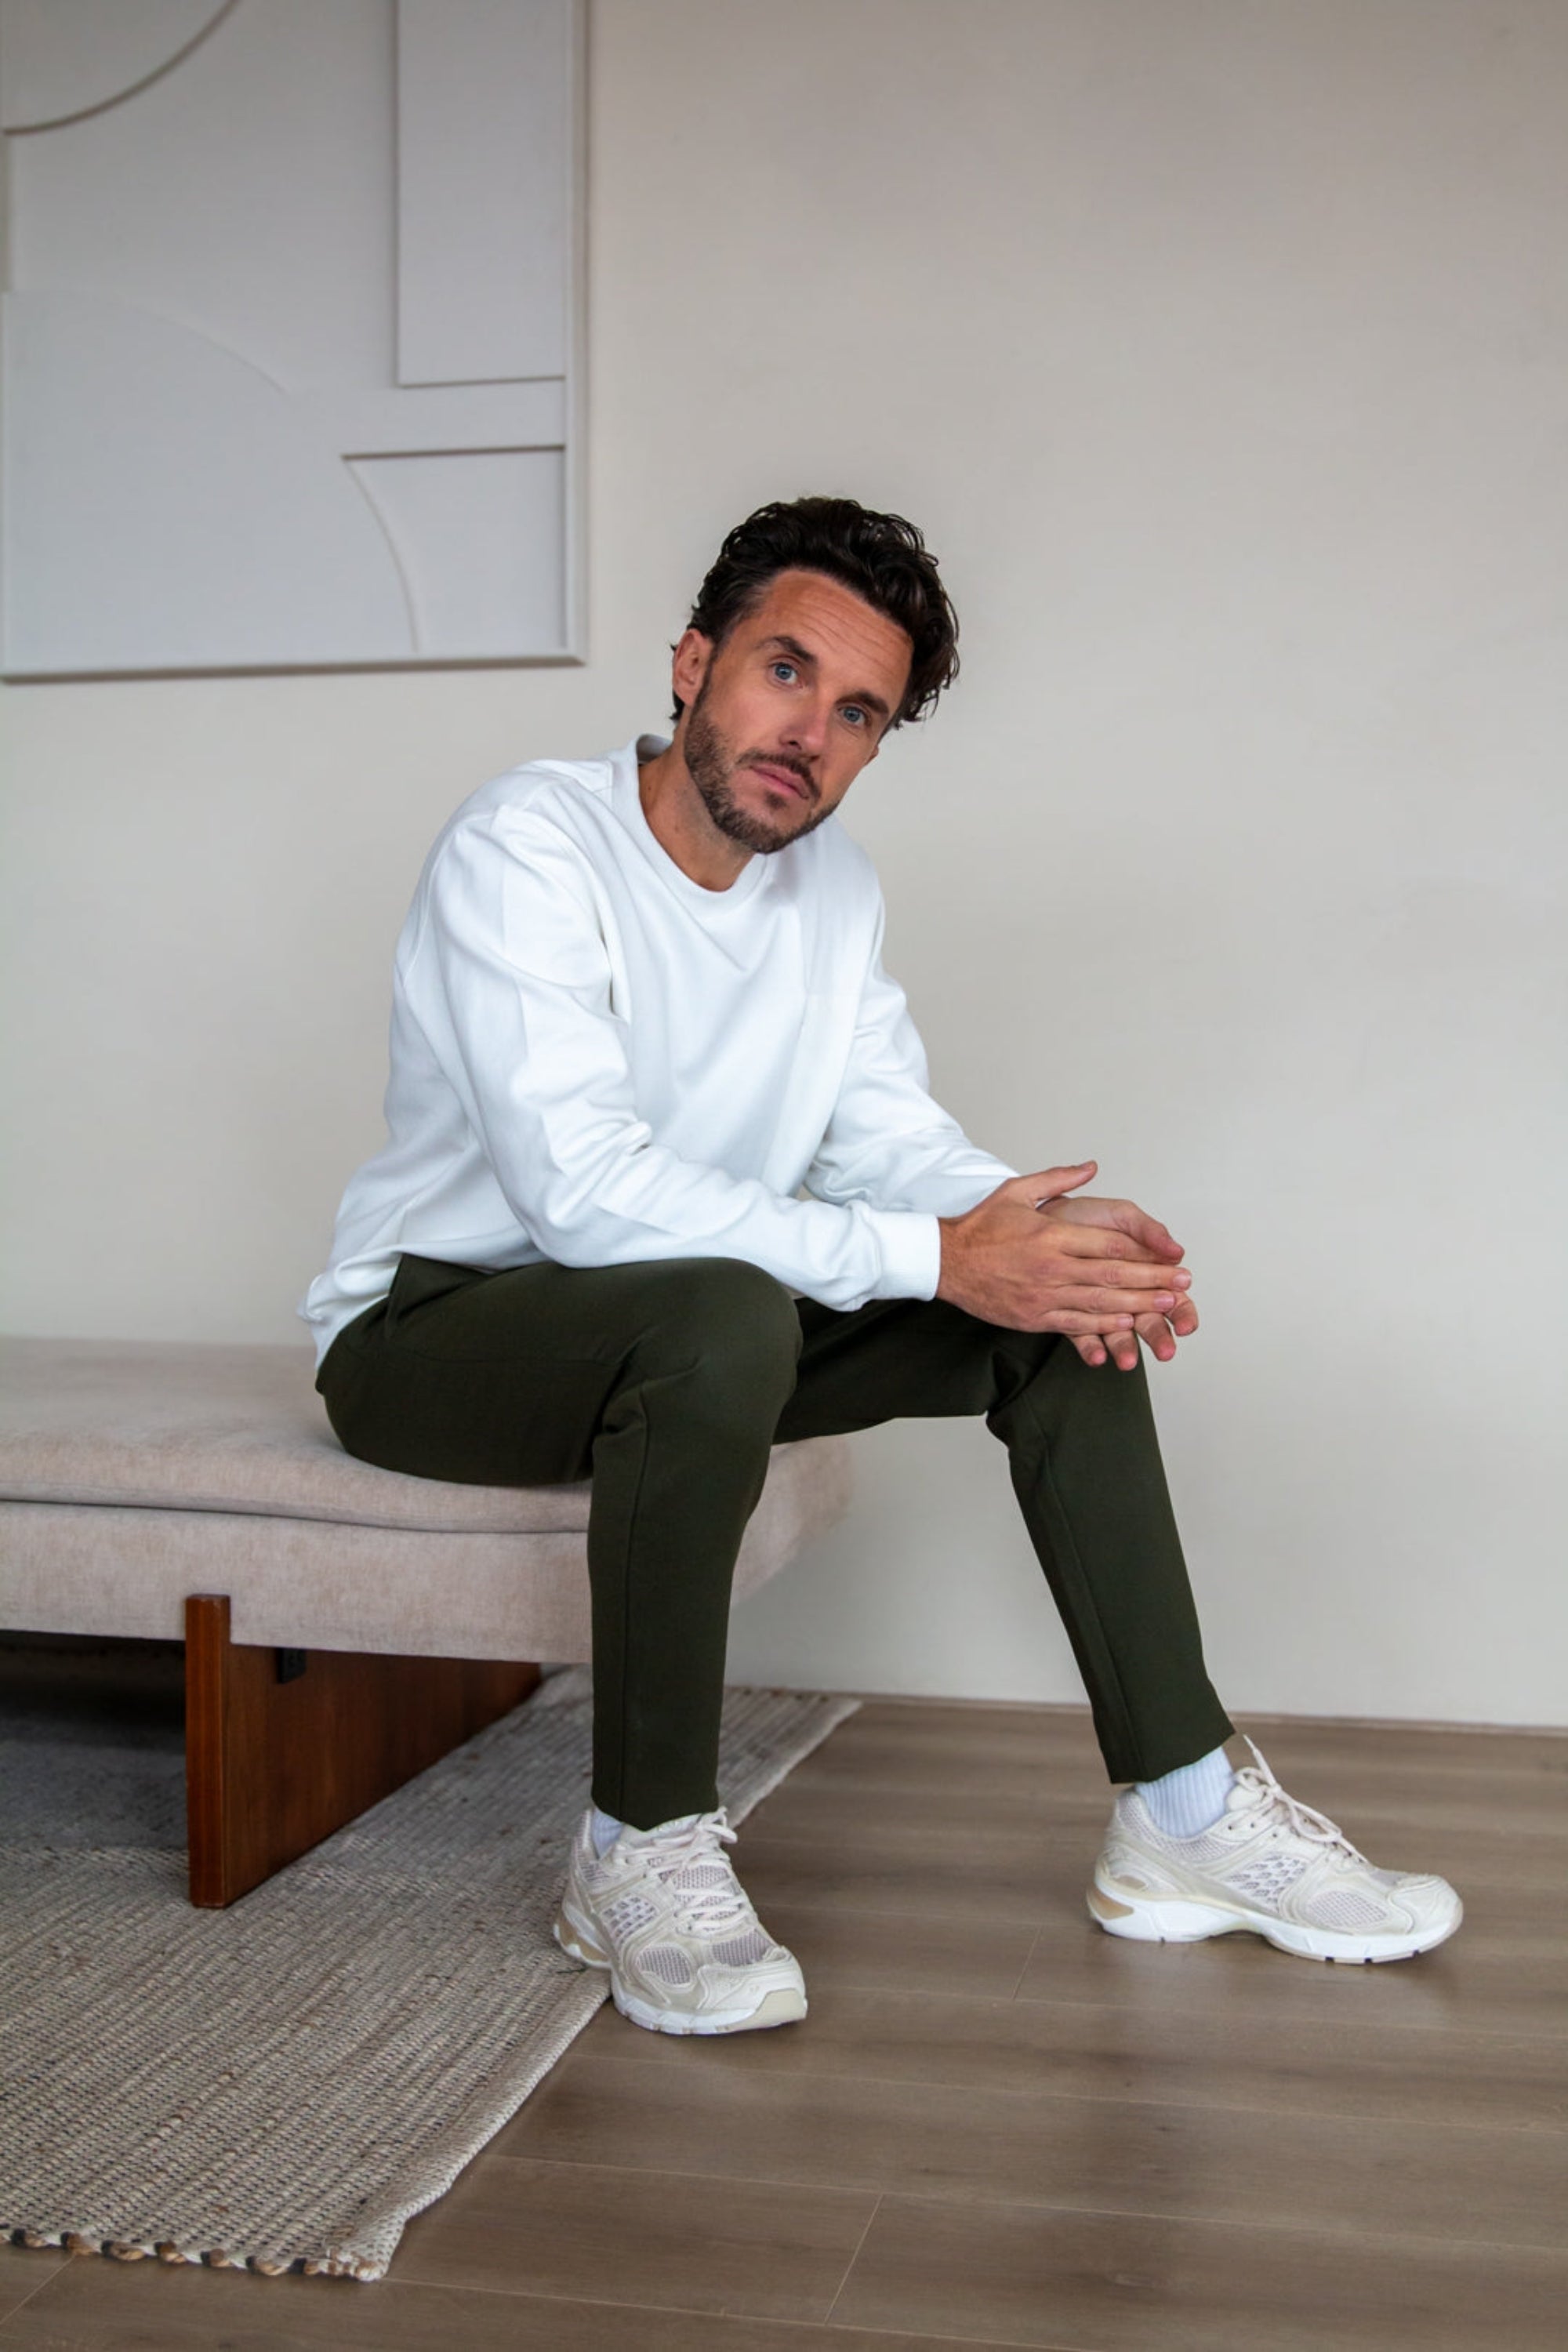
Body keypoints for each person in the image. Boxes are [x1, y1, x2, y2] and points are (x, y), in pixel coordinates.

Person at [303, 495, 1461, 2038]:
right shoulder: (528, 844)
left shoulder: (830, 892)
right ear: (694, 663)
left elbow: (882, 1135)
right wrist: (938, 1253)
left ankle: (1182, 1814)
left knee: (1047, 1318)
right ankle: (637, 1848)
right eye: (785, 672)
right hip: (437, 1332)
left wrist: (1019, 1228)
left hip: (687, 1334)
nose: (812, 733)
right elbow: (580, 1195)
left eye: (858, 713)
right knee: (721, 1314)